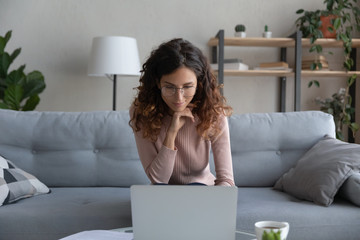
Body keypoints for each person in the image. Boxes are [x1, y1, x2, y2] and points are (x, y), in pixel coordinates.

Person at [129, 38, 234, 186]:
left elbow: (226, 180)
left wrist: (216, 201)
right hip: (164, 196)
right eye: (170, 87)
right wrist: (172, 132)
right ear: (158, 83)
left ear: (199, 83)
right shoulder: (142, 112)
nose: (179, 97)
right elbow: (158, 180)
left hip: (203, 191)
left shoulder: (214, 113)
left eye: (187, 86)